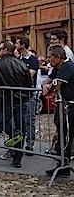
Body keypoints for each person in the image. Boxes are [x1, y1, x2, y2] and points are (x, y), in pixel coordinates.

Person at [42, 45, 74, 177]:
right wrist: (45, 84)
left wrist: (49, 88)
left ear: (58, 57)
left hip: (70, 107)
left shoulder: (68, 66)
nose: (48, 59)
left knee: (66, 135)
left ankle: (64, 164)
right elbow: (49, 80)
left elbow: (56, 84)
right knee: (61, 132)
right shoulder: (57, 67)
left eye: (50, 57)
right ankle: (62, 164)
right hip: (63, 106)